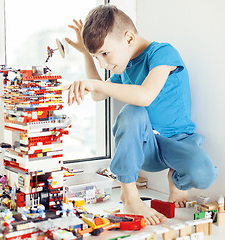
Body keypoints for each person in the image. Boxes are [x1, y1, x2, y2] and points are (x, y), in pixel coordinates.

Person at [64, 5, 218, 225]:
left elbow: (145, 95)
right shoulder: (125, 66)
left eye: (105, 54)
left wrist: (93, 83)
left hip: (179, 142)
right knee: (132, 113)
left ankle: (175, 178)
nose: (103, 64)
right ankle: (129, 195)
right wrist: (86, 56)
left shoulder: (162, 53)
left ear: (128, 38)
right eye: (98, 58)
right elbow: (97, 94)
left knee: (205, 174)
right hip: (147, 148)